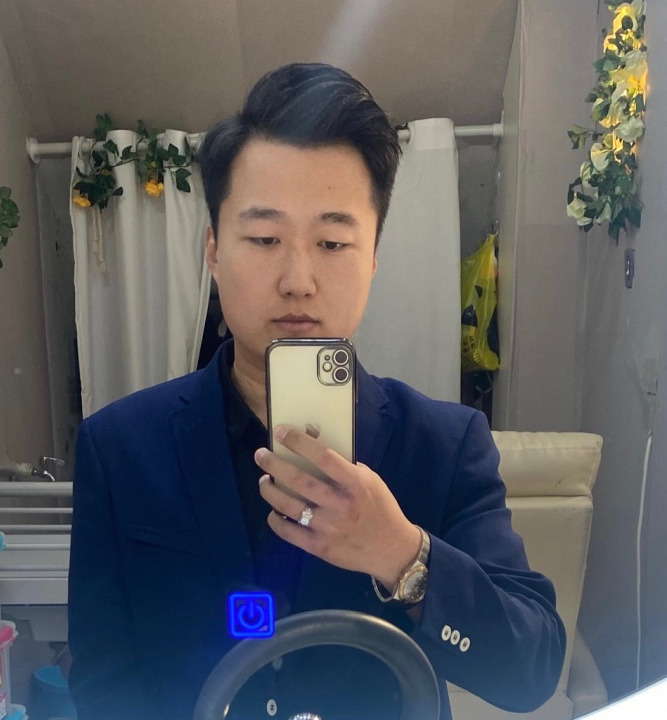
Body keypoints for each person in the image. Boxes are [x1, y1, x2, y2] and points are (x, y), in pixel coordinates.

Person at [68, 63, 566, 720]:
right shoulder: (121, 449)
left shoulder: (444, 445)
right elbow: (102, 682)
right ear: (213, 250)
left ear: (374, 254)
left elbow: (532, 669)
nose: (298, 280)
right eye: (264, 238)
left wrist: (401, 554)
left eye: (332, 242)